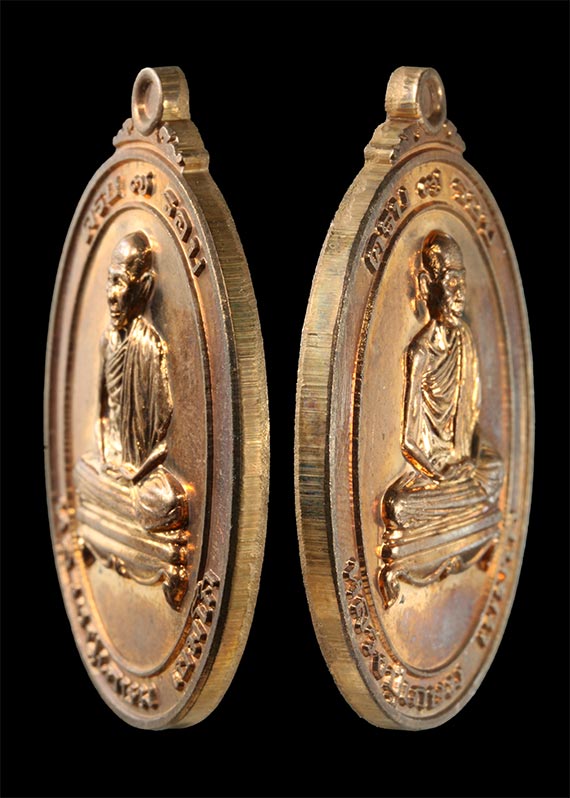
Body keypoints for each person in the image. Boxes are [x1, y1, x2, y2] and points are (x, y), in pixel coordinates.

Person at [378, 230, 503, 606]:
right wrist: (445, 472)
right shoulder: (420, 352)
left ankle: (467, 505)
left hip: (460, 465)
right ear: (427, 286)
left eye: (462, 283)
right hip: (431, 472)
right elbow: (409, 442)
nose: (459, 294)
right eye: (450, 283)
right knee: (398, 506)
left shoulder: (464, 340)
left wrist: (468, 460)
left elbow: (472, 418)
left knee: (496, 468)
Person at [75, 231, 187, 536]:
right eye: (109, 281)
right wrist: (104, 458)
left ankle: (119, 509)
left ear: (144, 287)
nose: (111, 295)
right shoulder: (106, 342)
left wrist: (133, 475)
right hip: (110, 466)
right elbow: (101, 414)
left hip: (140, 474)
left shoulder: (150, 348)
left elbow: (163, 444)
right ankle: (121, 507)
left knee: (170, 502)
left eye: (121, 283)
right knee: (81, 470)